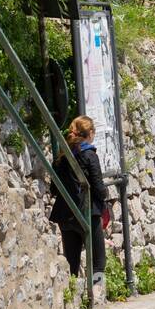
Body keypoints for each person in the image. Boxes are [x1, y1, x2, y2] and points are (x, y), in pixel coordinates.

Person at [49, 116, 109, 282]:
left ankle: (73, 298)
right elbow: (98, 188)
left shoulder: (61, 157)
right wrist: (105, 196)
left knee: (71, 264)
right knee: (98, 262)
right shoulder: (90, 155)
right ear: (90, 133)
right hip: (87, 213)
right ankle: (96, 296)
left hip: (65, 215)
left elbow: (53, 189)